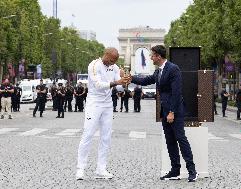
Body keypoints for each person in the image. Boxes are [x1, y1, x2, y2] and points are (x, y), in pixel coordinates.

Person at [129, 45, 198, 182]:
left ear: (158, 56)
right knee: (170, 141)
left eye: (152, 55)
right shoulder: (158, 71)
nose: (150, 57)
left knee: (180, 139)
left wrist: (172, 112)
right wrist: (130, 78)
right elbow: (146, 80)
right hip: (165, 110)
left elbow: (177, 93)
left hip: (175, 111)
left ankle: (192, 171)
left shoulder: (173, 69)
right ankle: (175, 170)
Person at [76, 47, 127, 180]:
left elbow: (119, 87)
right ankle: (81, 168)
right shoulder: (94, 65)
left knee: (106, 137)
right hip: (94, 103)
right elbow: (98, 84)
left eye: (114, 61)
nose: (112, 63)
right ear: (106, 55)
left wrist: (125, 80)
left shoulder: (115, 67)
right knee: (88, 134)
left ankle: (101, 168)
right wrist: (117, 81)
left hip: (108, 104)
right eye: (111, 60)